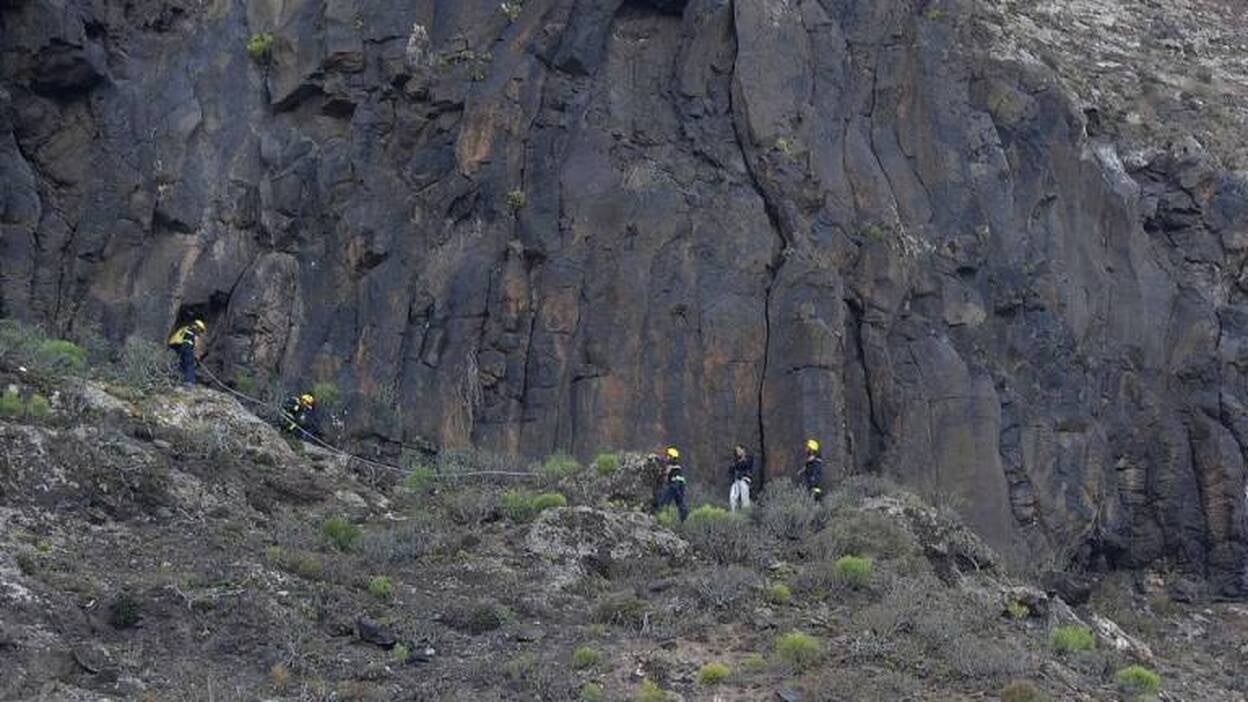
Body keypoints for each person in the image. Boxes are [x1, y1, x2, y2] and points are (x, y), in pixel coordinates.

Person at [166, 319, 206, 385]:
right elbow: (195, 345)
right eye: (200, 330)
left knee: (183, 363)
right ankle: (189, 381)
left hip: (182, 348)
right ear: (197, 327)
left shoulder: (186, 329)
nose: (200, 332)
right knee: (190, 364)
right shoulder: (194, 332)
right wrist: (196, 356)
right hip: (187, 348)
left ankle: (181, 379)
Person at [656, 446, 689, 522]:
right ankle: (683, 520)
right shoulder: (675, 467)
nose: (666, 457)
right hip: (679, 486)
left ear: (671, 457)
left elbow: (673, 481)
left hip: (674, 486)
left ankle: (662, 518)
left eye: (667, 456)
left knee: (663, 503)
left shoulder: (673, 467)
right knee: (681, 505)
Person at [728, 444, 753, 511]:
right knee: (732, 497)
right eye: (737, 451)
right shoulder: (735, 460)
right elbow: (731, 470)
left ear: (743, 450)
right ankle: (733, 513)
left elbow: (747, 467)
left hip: (744, 479)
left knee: (744, 498)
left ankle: (746, 512)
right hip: (736, 480)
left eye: (739, 450)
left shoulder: (749, 458)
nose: (738, 452)